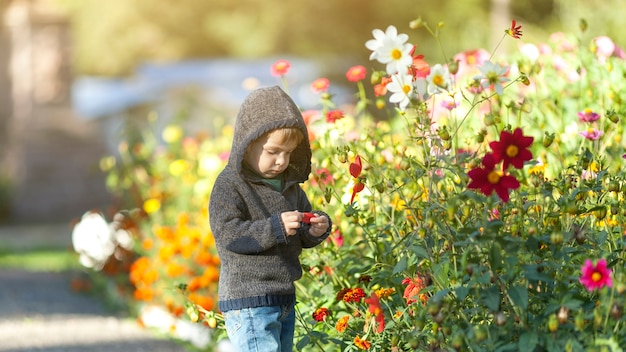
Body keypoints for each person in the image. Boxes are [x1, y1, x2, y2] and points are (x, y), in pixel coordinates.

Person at [209, 85, 332, 352]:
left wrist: (315, 228)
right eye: (273, 152)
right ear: (249, 142)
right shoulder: (230, 184)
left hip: (283, 295)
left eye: (289, 153)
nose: (281, 161)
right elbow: (229, 234)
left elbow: (300, 232)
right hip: (249, 300)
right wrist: (275, 227)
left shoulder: (289, 186)